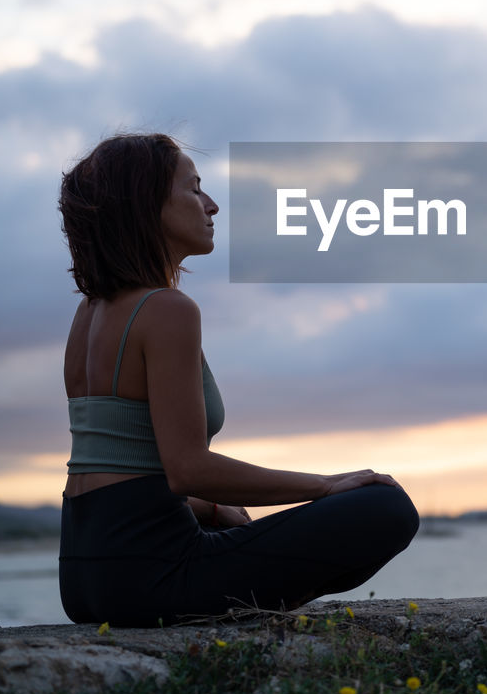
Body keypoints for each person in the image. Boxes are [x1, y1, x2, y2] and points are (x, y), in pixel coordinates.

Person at [58, 132, 419, 626]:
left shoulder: (89, 314)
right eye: (194, 189)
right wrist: (326, 485)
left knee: (235, 527)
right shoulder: (166, 310)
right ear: (147, 205)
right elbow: (187, 467)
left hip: (83, 578)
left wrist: (208, 509)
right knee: (386, 507)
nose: (212, 206)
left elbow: (123, 466)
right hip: (150, 578)